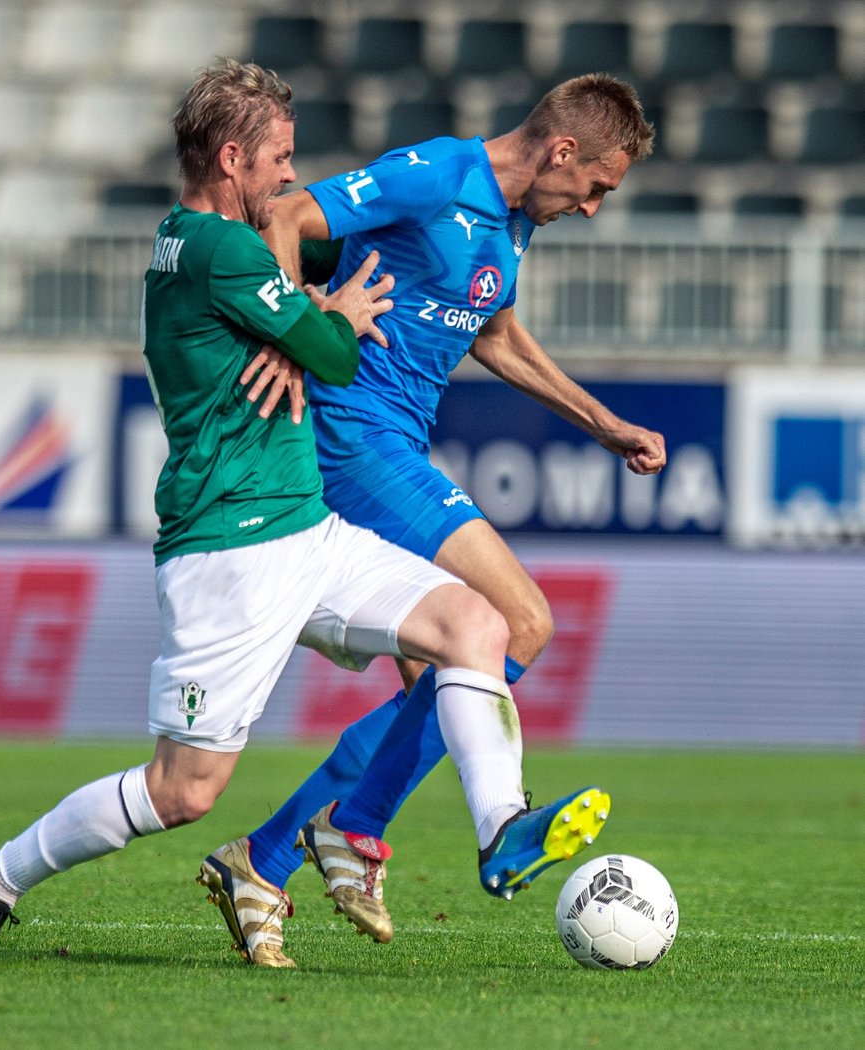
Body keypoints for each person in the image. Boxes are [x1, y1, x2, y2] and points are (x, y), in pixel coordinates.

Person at [0, 58, 597, 972]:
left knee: (474, 624)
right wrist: (331, 316)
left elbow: (330, 275)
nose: (290, 176)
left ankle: (502, 829)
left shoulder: (197, 244)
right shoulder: (221, 251)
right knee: (182, 791)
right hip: (230, 548)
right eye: (279, 159)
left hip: (308, 531)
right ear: (233, 157)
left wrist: (334, 298)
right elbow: (326, 348)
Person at [202, 72, 663, 964]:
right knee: (520, 622)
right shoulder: (443, 173)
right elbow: (289, 216)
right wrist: (295, 336)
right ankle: (370, 826)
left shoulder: (516, 221)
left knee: (441, 681)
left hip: (397, 443)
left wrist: (603, 424)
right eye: (600, 185)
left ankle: (260, 858)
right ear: (563, 151)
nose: (598, 207)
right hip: (350, 439)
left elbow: (491, 332)